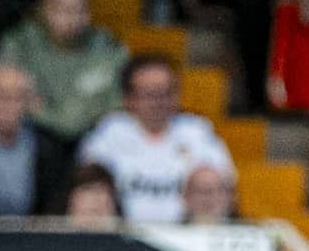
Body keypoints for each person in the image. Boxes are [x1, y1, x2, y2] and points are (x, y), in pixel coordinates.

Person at [79, 55, 235, 224]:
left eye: (165, 92)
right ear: (128, 99)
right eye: (149, 94)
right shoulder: (108, 133)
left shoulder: (197, 132)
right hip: (121, 238)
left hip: (187, 238)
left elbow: (226, 192)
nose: (158, 101)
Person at [0, 0, 128, 145]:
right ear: (42, 9)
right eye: (61, 8)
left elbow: (115, 106)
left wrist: (42, 109)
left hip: (94, 138)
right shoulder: (19, 44)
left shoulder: (108, 46)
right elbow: (7, 100)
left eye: (81, 8)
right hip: (30, 136)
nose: (72, 17)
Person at [0, 64, 71, 217]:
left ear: (29, 103)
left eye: (17, 97)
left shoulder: (46, 147)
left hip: (30, 237)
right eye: (0, 96)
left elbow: (52, 206)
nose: (8, 105)